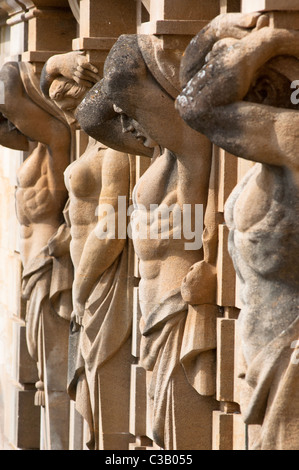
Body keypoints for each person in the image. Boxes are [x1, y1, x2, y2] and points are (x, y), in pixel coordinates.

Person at [77, 33, 220, 450]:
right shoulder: (158, 159)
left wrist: (149, 50)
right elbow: (91, 116)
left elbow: (123, 81)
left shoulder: (190, 155)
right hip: (152, 315)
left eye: (131, 111)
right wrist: (57, 68)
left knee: (180, 435)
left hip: (177, 309)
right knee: (161, 434)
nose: (123, 123)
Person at [177, 14, 299, 450]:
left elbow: (196, 105)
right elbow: (188, 95)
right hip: (265, 357)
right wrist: (214, 33)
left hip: (287, 359)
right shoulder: (271, 158)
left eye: (252, 86)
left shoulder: (292, 136)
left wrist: (268, 40)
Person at [41, 51, 143, 450]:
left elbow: (111, 228)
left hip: (103, 280)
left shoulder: (114, 151)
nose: (65, 116)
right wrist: (58, 64)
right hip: (84, 277)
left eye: (71, 105)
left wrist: (81, 288)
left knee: (101, 378)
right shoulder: (88, 144)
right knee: (89, 378)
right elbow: (36, 85)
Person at [0, 60, 73, 449]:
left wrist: (18, 72)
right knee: (41, 362)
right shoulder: (32, 147)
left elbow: (9, 99)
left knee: (53, 366)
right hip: (32, 264)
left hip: (45, 260)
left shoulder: (56, 137)